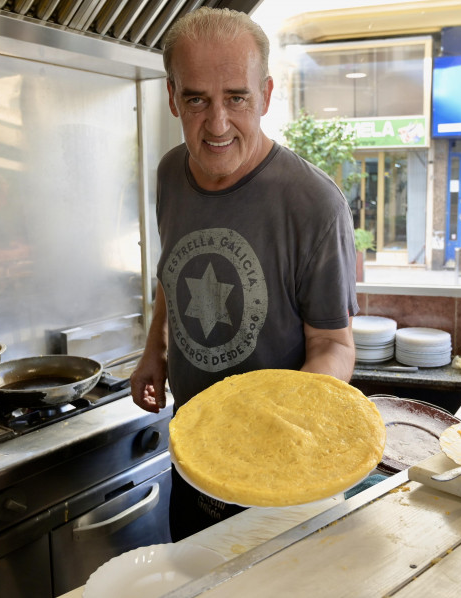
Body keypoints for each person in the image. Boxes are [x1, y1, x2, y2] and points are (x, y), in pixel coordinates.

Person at [129, 7, 358, 541]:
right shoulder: (169, 174)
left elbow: (332, 344)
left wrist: (271, 429)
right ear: (171, 98)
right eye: (196, 100)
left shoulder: (313, 204)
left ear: (267, 94)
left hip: (283, 469)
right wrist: (154, 351)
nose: (217, 124)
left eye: (236, 97)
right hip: (192, 454)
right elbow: (174, 273)